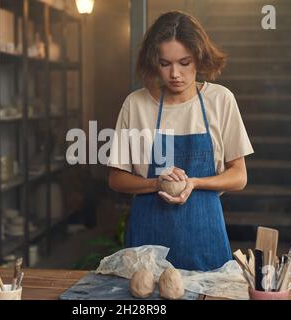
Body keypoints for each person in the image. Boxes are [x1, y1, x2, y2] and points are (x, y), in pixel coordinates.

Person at [107, 11, 254, 271]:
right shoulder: (136, 104)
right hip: (147, 246)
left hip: (204, 238)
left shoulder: (220, 100)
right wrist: (156, 182)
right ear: (154, 63)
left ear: (199, 58)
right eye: (165, 64)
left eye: (184, 62)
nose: (175, 73)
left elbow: (239, 176)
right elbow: (116, 179)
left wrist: (193, 183)